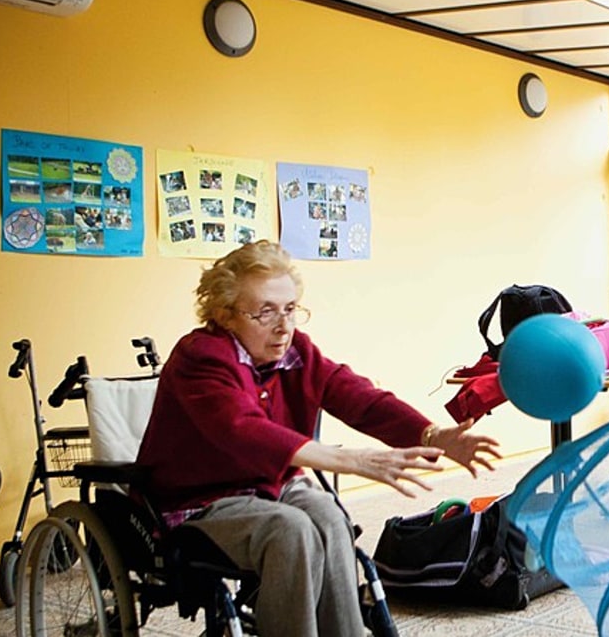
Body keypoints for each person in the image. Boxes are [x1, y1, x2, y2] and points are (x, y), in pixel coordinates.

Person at [135, 240, 502, 637]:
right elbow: (242, 429)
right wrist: (350, 460)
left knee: (329, 516)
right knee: (290, 531)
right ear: (225, 315)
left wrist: (432, 434)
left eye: (290, 309)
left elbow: (358, 397)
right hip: (204, 499)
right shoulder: (200, 357)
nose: (284, 326)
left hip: (271, 487)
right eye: (265, 312)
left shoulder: (297, 353)